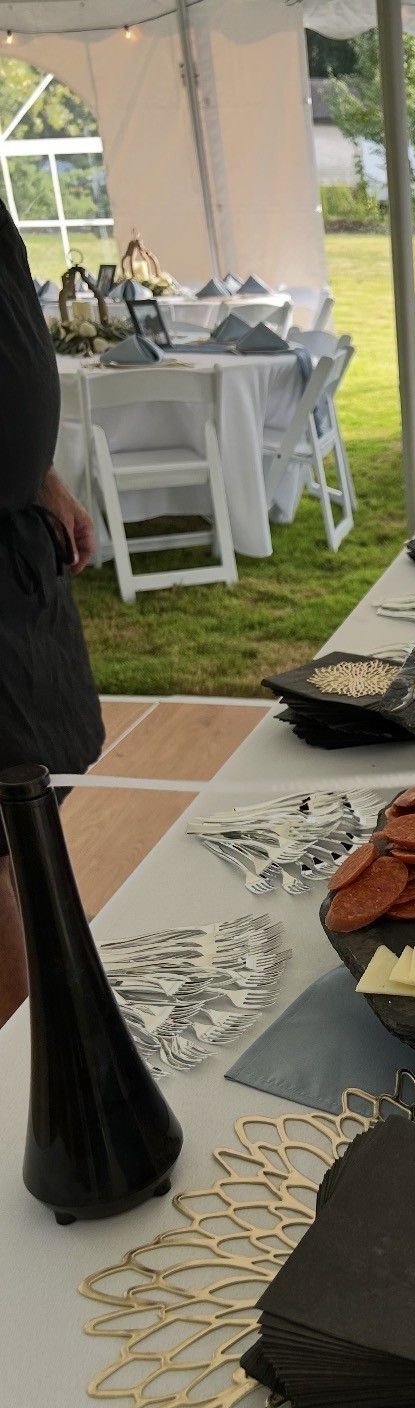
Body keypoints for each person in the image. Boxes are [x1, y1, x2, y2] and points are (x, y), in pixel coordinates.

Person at [0, 199, 104, 1023]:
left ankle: (64, 1007)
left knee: (37, 786)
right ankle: (38, 1062)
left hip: (15, 540)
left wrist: (42, 476)